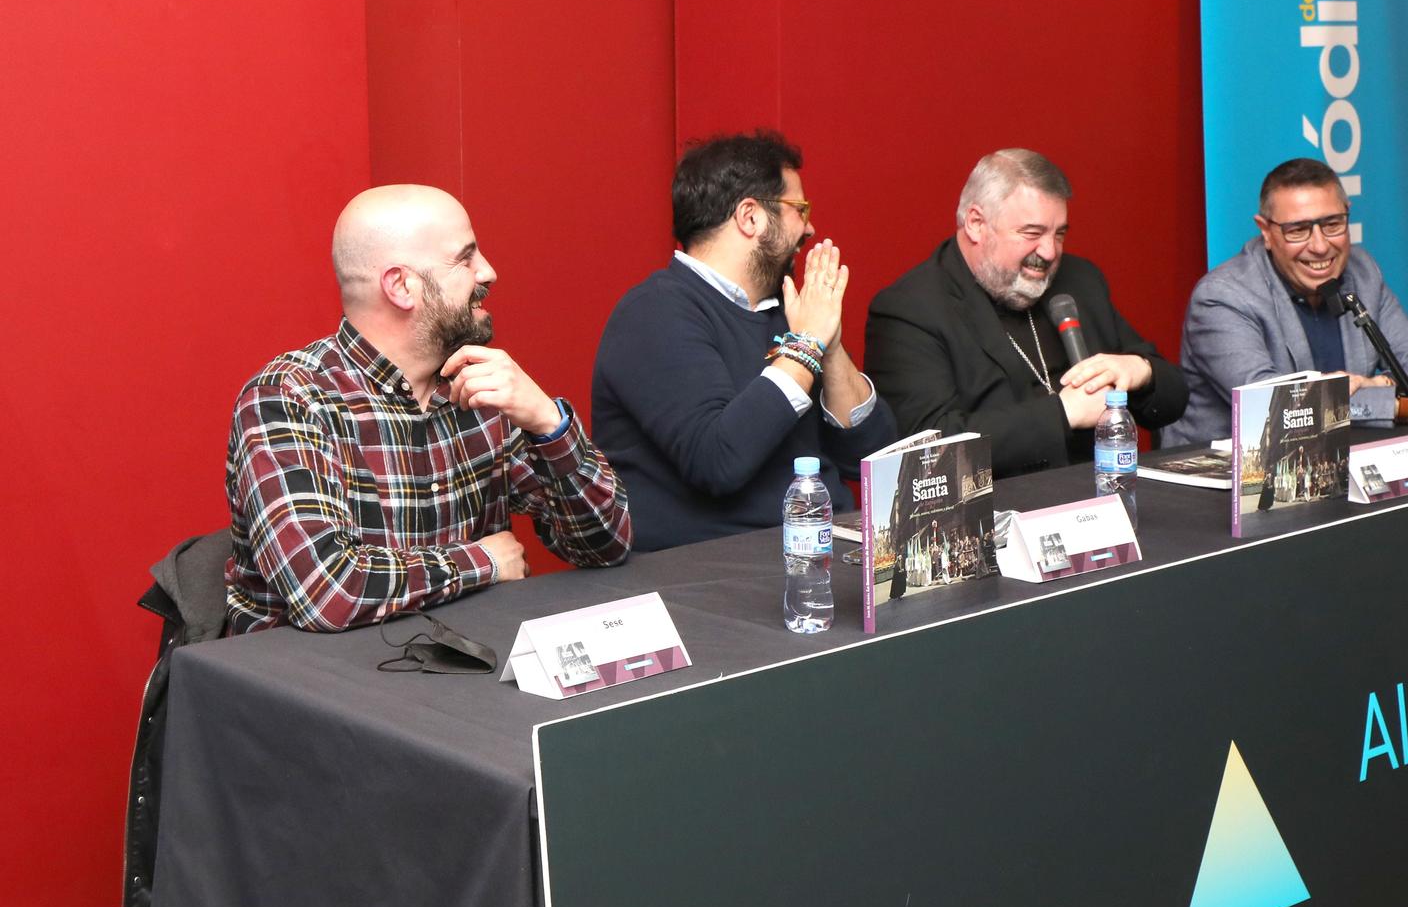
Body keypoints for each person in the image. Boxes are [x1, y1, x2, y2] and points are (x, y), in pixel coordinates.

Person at [224, 186, 632, 635]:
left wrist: (547, 424)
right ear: (401, 286)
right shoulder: (289, 396)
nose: (489, 272)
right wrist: (483, 561)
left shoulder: (480, 389)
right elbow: (329, 592)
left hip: (462, 673)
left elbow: (606, 546)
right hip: (317, 690)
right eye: (466, 258)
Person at [592, 130, 898, 550]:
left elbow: (875, 460)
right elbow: (717, 460)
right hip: (712, 580)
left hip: (820, 555)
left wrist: (829, 345)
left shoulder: (786, 312)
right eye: (799, 209)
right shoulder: (653, 312)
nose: (809, 228)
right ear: (750, 217)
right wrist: (805, 345)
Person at [865, 148, 1187, 477]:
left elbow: (1174, 397)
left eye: (1059, 234)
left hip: (1100, 496)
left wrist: (1140, 370)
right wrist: (1062, 413)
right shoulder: (910, 309)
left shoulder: (1080, 280)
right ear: (976, 224)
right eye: (1031, 233)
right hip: (995, 511)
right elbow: (925, 454)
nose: (1049, 252)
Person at [1163, 158, 1408, 446]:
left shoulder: (1362, 272)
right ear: (1266, 232)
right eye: (1298, 230)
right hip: (1229, 482)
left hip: (1338, 464)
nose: (1320, 246)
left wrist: (1375, 384)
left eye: (1332, 224)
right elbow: (1274, 407)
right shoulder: (1222, 296)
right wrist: (1401, 407)